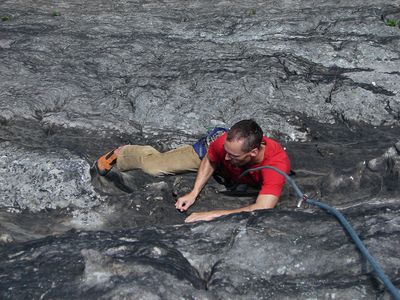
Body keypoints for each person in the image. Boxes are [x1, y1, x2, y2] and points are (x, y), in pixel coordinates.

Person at [96, 119, 291, 223]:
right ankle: (125, 152)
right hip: (205, 153)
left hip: (234, 173)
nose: (226, 157)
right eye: (226, 151)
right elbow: (211, 157)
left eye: (233, 155)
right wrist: (193, 192)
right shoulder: (224, 145)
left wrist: (211, 214)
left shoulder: (275, 165)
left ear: (254, 152)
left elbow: (263, 208)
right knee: (153, 167)